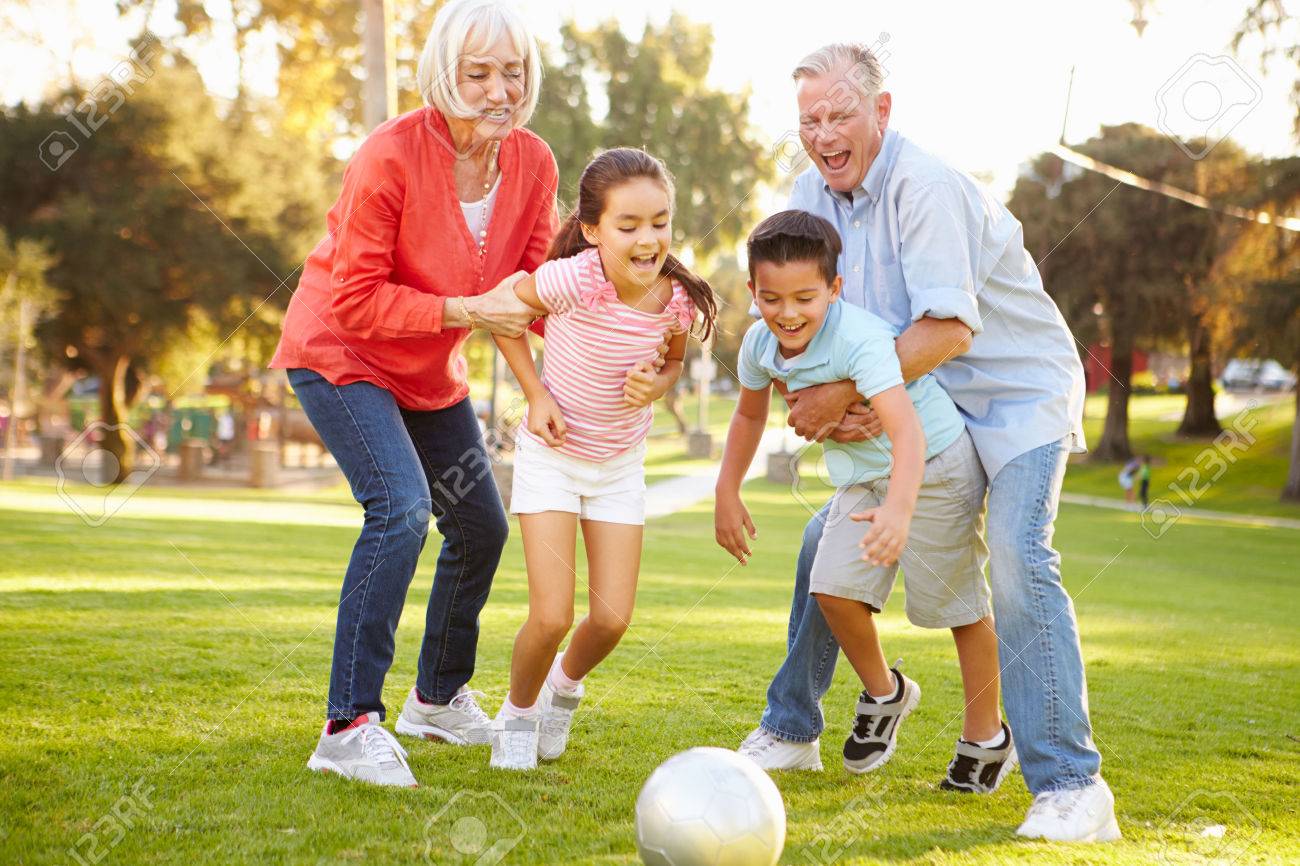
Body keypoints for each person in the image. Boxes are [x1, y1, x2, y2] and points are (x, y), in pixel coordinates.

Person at [738, 43, 1118, 842]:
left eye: (840, 114)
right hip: (922, 402)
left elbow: (946, 327)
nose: (823, 133)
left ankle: (1073, 786)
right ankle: (793, 730)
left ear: (881, 111)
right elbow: (807, 314)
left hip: (1014, 400)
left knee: (1019, 557)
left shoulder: (927, 187)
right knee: (821, 542)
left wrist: (847, 391)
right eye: (810, 120)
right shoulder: (812, 191)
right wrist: (808, 389)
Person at [270, 0, 558, 787]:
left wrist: (596, 360)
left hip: (428, 370)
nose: (500, 89)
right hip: (341, 352)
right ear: (444, 74)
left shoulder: (533, 163)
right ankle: (348, 723)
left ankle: (436, 697)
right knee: (399, 511)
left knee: (480, 525)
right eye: (479, 73)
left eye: (513, 71)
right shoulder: (389, 156)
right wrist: (468, 310)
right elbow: (356, 299)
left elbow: (527, 292)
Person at [716, 211, 1014, 792]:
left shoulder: (860, 339)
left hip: (934, 470)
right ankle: (887, 693)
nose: (788, 313)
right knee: (830, 588)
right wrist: (727, 489)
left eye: (805, 296)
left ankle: (986, 737)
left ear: (834, 289)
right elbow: (750, 413)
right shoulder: (760, 344)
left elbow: (909, 433)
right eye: (772, 298)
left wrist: (901, 508)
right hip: (863, 480)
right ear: (753, 293)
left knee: (958, 610)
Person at [488, 148, 717, 770]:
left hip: (619, 465)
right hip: (554, 458)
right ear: (592, 230)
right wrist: (534, 396)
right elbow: (504, 316)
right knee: (551, 613)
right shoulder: (575, 279)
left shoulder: (677, 298)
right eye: (629, 225)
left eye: (660, 221)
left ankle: (563, 688)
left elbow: (672, 360)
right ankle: (518, 709)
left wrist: (660, 385)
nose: (649, 239)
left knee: (613, 618)